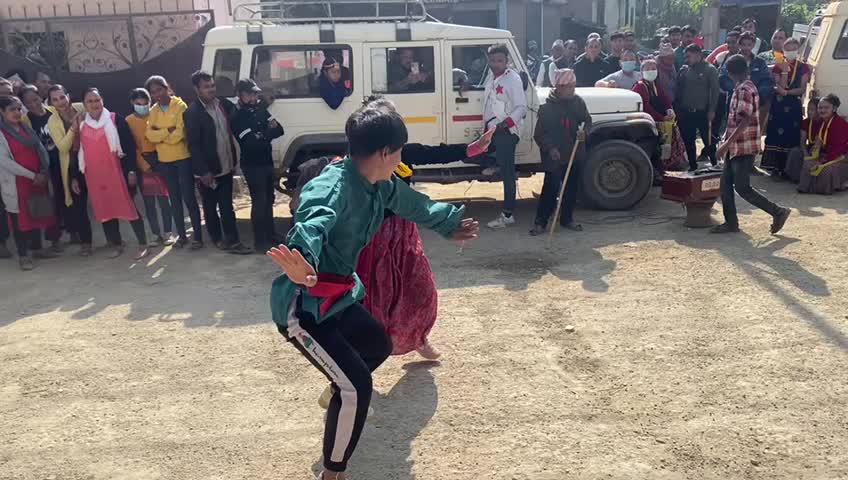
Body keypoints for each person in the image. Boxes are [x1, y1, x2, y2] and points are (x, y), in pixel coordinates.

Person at [268, 106, 479, 480]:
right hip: (304, 307)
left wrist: (449, 224)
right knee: (356, 387)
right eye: (399, 151)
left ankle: (340, 386)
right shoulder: (333, 187)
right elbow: (312, 220)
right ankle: (332, 473)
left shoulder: (379, 183)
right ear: (384, 152)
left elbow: (413, 204)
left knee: (377, 345)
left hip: (339, 296)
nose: (400, 158)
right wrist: (303, 263)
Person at [713, 55, 790, 234]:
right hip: (737, 145)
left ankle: (777, 212)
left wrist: (726, 144)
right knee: (725, 186)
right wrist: (726, 141)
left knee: (742, 187)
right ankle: (731, 223)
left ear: (730, 73)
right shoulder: (746, 86)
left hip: (743, 146)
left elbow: (744, 120)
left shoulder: (743, 90)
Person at [72, 88, 148, 259]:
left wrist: (131, 171)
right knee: (106, 210)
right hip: (95, 177)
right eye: (90, 101)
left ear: (102, 100)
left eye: (97, 100)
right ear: (84, 104)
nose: (94, 104)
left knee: (130, 208)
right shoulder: (81, 124)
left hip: (118, 173)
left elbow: (129, 147)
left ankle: (143, 244)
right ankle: (117, 244)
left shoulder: (115, 120)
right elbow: (77, 151)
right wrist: (75, 177)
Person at [184, 71, 252, 254]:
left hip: (226, 166)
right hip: (208, 171)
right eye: (206, 87)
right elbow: (193, 145)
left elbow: (239, 111)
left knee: (227, 206)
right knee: (210, 207)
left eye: (212, 85)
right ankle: (217, 238)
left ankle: (233, 241)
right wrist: (203, 171)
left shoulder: (222, 104)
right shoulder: (192, 113)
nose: (211, 89)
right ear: (197, 89)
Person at [145, 75, 204, 250]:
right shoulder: (153, 110)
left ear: (167, 88)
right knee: (174, 199)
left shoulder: (180, 106)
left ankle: (198, 238)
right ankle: (182, 237)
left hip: (182, 158)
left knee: (189, 198)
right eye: (153, 92)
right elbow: (149, 135)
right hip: (165, 161)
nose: (157, 94)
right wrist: (167, 131)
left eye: (160, 89)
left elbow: (180, 134)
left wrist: (160, 133)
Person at [530, 69, 591, 236]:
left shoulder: (578, 103)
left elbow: (587, 121)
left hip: (574, 153)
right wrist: (550, 148)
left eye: (573, 86)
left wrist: (584, 132)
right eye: (568, 87)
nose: (572, 90)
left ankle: (567, 219)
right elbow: (539, 135)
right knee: (550, 188)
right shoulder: (546, 109)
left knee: (571, 188)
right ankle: (541, 222)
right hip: (554, 156)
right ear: (558, 87)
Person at [0, 95, 58, 270]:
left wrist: (43, 172)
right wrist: (32, 176)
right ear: (2, 112)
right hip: (18, 183)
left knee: (37, 213)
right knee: (19, 221)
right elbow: (5, 162)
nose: (17, 112)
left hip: (37, 181)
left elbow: (40, 149)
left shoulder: (26, 128)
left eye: (19, 109)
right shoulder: (1, 133)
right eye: (12, 109)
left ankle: (37, 249)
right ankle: (23, 256)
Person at [230, 78, 285, 252]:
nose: (254, 97)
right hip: (252, 165)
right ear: (240, 95)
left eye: (255, 94)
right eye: (250, 94)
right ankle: (260, 241)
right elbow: (250, 143)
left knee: (269, 199)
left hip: (266, 161)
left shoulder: (260, 110)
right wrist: (267, 133)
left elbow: (280, 129)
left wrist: (262, 134)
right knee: (259, 201)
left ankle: (271, 234)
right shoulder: (238, 116)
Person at [482, 43, 527, 229]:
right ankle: (494, 163)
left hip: (507, 132)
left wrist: (505, 124)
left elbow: (521, 108)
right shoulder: (491, 76)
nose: (496, 64)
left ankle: (507, 215)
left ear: (507, 61)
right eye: (492, 60)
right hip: (493, 129)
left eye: (500, 60)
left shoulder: (513, 79)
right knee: (472, 153)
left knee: (508, 173)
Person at [45, 84, 92, 255]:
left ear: (68, 96)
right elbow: (63, 148)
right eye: (55, 100)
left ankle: (114, 239)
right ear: (51, 103)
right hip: (73, 168)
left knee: (102, 199)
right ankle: (86, 243)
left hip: (94, 160)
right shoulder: (53, 121)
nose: (60, 102)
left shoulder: (81, 107)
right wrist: (73, 128)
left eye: (62, 97)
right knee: (79, 206)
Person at [20, 85, 64, 253]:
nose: (33, 104)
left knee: (62, 199)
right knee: (47, 202)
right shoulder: (25, 120)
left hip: (61, 162)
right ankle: (52, 238)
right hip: (42, 167)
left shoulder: (53, 112)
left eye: (35, 99)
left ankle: (68, 232)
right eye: (28, 102)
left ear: (41, 97)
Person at [126, 88, 173, 246]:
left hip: (161, 162)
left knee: (164, 200)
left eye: (145, 103)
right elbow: (131, 146)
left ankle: (168, 232)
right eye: (138, 103)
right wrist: (144, 165)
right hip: (143, 167)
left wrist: (159, 162)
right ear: (132, 103)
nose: (142, 107)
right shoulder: (128, 121)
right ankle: (155, 234)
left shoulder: (156, 115)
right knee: (149, 203)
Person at [761, 38, 810, 176]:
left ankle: (788, 168)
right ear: (783, 50)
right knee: (775, 133)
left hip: (793, 104)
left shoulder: (803, 67)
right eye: (788, 49)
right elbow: (780, 86)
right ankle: (774, 168)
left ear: (798, 50)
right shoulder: (778, 66)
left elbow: (802, 89)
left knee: (791, 134)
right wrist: (784, 71)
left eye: (793, 49)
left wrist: (787, 92)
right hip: (778, 104)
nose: (791, 52)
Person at [633, 59, 688, 171]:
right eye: (648, 69)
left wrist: (669, 109)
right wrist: (662, 117)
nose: (651, 71)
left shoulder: (655, 85)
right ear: (642, 71)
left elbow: (665, 98)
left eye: (653, 68)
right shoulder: (640, 86)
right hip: (649, 123)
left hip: (661, 121)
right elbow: (646, 107)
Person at [676, 43, 719, 170]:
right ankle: (692, 165)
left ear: (698, 55)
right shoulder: (685, 70)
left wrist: (712, 110)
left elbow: (715, 91)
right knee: (689, 140)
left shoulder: (710, 69)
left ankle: (715, 163)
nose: (686, 59)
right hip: (687, 112)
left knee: (708, 140)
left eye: (689, 56)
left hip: (702, 112)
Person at [722, 32, 775, 136]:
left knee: (751, 132)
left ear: (753, 45)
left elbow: (766, 81)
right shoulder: (731, 60)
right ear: (739, 44)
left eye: (749, 45)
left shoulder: (759, 62)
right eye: (743, 44)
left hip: (754, 103)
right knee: (733, 129)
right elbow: (722, 78)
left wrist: (757, 95)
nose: (746, 48)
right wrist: (736, 89)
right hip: (735, 100)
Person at [797, 94, 848, 194]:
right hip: (828, 154)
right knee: (808, 163)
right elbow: (819, 141)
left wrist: (823, 161)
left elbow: (839, 149)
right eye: (820, 108)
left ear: (834, 109)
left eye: (826, 108)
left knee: (825, 169)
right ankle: (805, 188)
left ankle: (828, 188)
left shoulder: (839, 123)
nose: (822, 110)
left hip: (842, 156)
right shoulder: (823, 122)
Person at [785, 97, 820, 183]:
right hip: (809, 147)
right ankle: (796, 178)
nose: (809, 112)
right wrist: (805, 153)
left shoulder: (824, 122)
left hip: (821, 149)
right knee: (795, 152)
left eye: (812, 109)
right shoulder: (805, 122)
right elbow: (802, 140)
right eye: (808, 109)